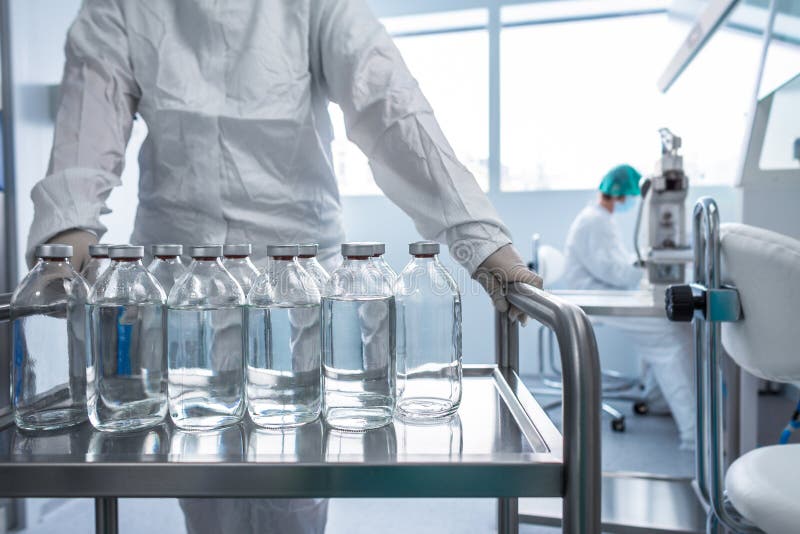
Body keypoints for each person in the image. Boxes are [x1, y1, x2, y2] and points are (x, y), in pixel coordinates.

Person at [26, 1, 542, 532]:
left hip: (298, 284)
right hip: (182, 288)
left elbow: (388, 104)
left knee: (297, 480)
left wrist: (481, 242)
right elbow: (91, 110)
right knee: (201, 481)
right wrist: (67, 232)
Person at [563, 164, 695, 449]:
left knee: (674, 327)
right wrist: (646, 263)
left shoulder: (600, 219)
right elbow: (614, 271)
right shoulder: (594, 221)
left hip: (605, 291)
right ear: (621, 194)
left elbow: (615, 268)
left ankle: (661, 403)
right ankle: (694, 436)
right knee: (668, 334)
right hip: (594, 295)